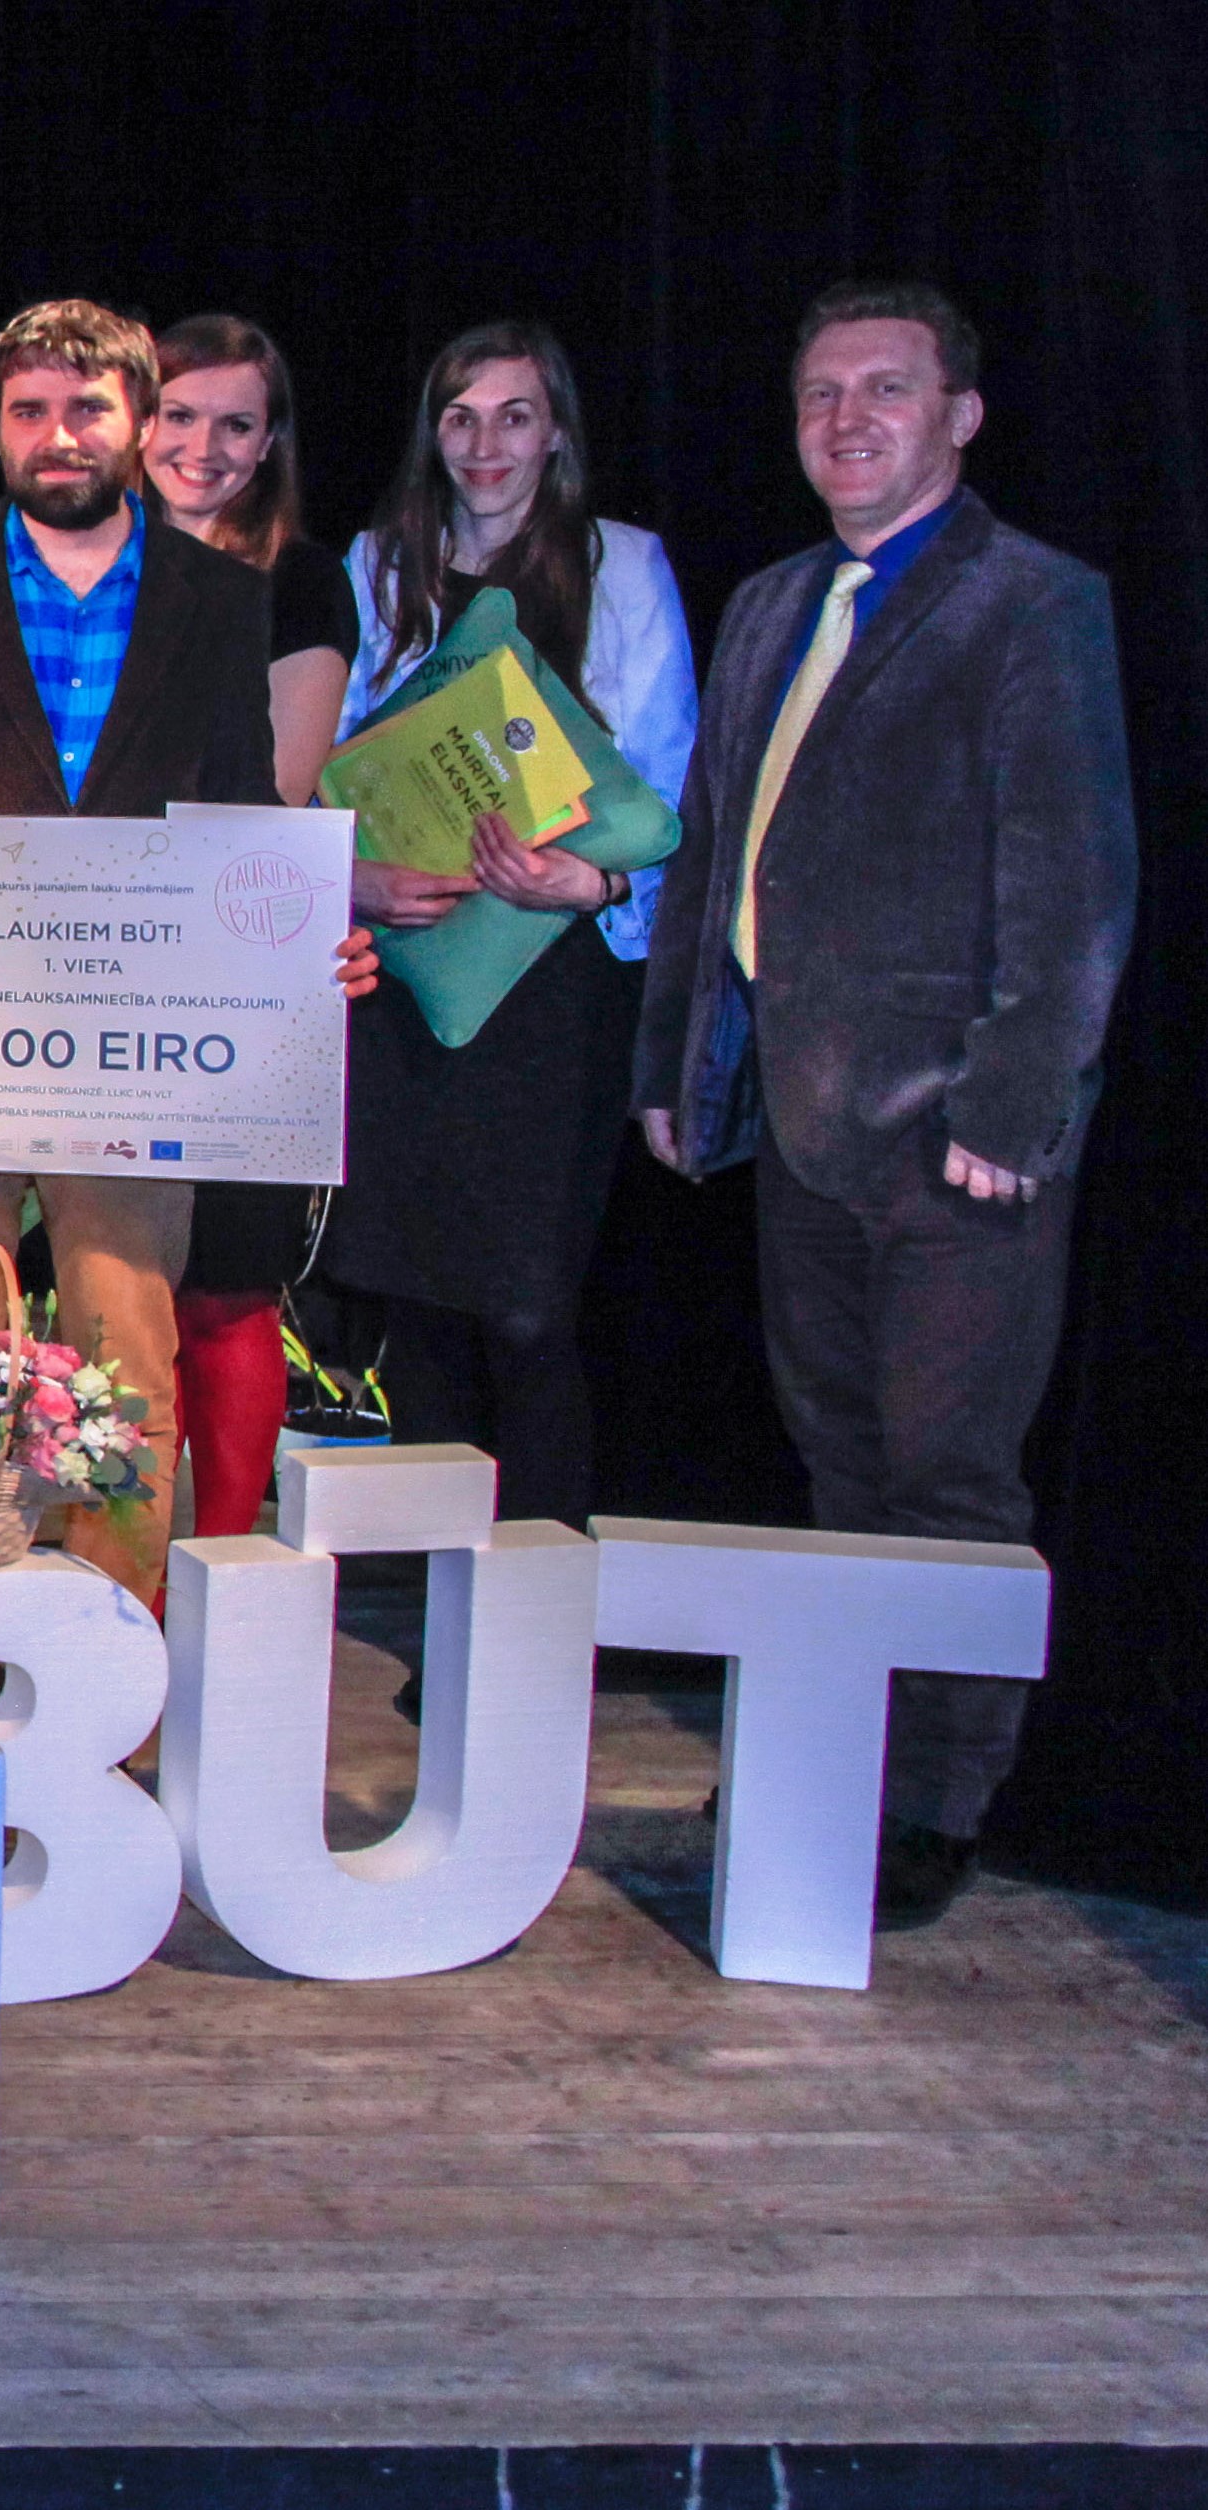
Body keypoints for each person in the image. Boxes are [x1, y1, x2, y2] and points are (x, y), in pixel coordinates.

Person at [634, 282, 1134, 1927]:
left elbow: (1072, 883)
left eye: (884, 390)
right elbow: (717, 851)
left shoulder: (1030, 602)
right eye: (818, 394)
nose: (844, 420)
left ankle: (933, 1803)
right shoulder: (771, 600)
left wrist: (1010, 1106)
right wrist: (674, 1067)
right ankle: (843, 1766)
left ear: (958, 416)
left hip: (954, 1141)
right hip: (800, 1122)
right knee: (839, 1468)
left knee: (946, 1482)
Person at [0, 300, 372, 1608]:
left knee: (123, 1364)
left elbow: (241, 821)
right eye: (29, 411)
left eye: (87, 409)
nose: (57, 435)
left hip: (133, 1051)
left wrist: (299, 955)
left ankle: (109, 1682)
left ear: (136, 421)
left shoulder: (220, 601)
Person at [313, 321, 702, 1538]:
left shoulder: (621, 564)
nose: (485, 444)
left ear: (557, 434)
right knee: (413, 1298)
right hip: (407, 976)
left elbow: (667, 776)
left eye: (515, 415)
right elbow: (328, 759)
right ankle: (432, 1593)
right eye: (460, 416)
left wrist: (587, 884)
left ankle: (535, 1592)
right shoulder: (377, 561)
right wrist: (354, 879)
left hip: (553, 987)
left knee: (528, 1308)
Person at [137, 314, 362, 1544]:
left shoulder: (303, 578)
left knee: (226, 1290)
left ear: (270, 440)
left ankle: (222, 1569)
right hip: (87, 971)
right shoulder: (62, 564)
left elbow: (275, 785)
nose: (203, 446)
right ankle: (121, 1578)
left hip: (240, 967)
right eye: (178, 415)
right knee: (111, 1289)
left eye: (236, 423)